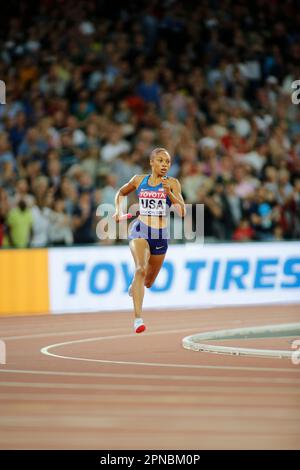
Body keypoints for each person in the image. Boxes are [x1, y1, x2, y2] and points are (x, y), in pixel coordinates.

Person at [113, 148, 186, 333]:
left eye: (167, 162)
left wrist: (169, 193)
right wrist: (118, 211)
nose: (164, 165)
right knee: (140, 268)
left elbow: (182, 212)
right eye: (160, 160)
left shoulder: (173, 183)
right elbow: (121, 193)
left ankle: (135, 284)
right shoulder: (139, 180)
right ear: (152, 162)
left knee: (148, 282)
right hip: (141, 230)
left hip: (160, 235)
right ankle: (138, 319)